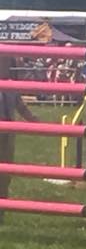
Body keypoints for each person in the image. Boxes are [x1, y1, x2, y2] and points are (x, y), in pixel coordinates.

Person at [0, 54, 39, 221]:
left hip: (8, 134)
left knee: (5, 173)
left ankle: (1, 209)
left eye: (7, 62)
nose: (5, 66)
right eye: (3, 62)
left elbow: (20, 106)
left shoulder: (10, 86)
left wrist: (34, 120)